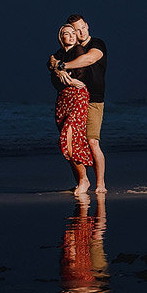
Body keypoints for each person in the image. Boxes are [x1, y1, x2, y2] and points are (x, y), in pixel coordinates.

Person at [48, 14, 107, 192]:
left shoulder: (96, 44)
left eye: (82, 28)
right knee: (71, 141)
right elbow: (51, 61)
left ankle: (100, 184)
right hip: (69, 99)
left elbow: (89, 59)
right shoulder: (65, 51)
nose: (79, 32)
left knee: (92, 142)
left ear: (87, 25)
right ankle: (82, 180)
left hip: (93, 100)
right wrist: (55, 65)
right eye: (75, 30)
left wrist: (61, 66)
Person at [50, 23, 94, 195]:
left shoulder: (78, 51)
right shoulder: (58, 54)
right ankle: (80, 181)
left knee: (69, 138)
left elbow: (82, 74)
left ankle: (84, 180)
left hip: (77, 96)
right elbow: (50, 62)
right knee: (67, 142)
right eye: (65, 34)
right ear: (61, 37)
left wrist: (62, 72)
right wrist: (57, 68)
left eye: (72, 33)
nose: (69, 36)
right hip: (62, 99)